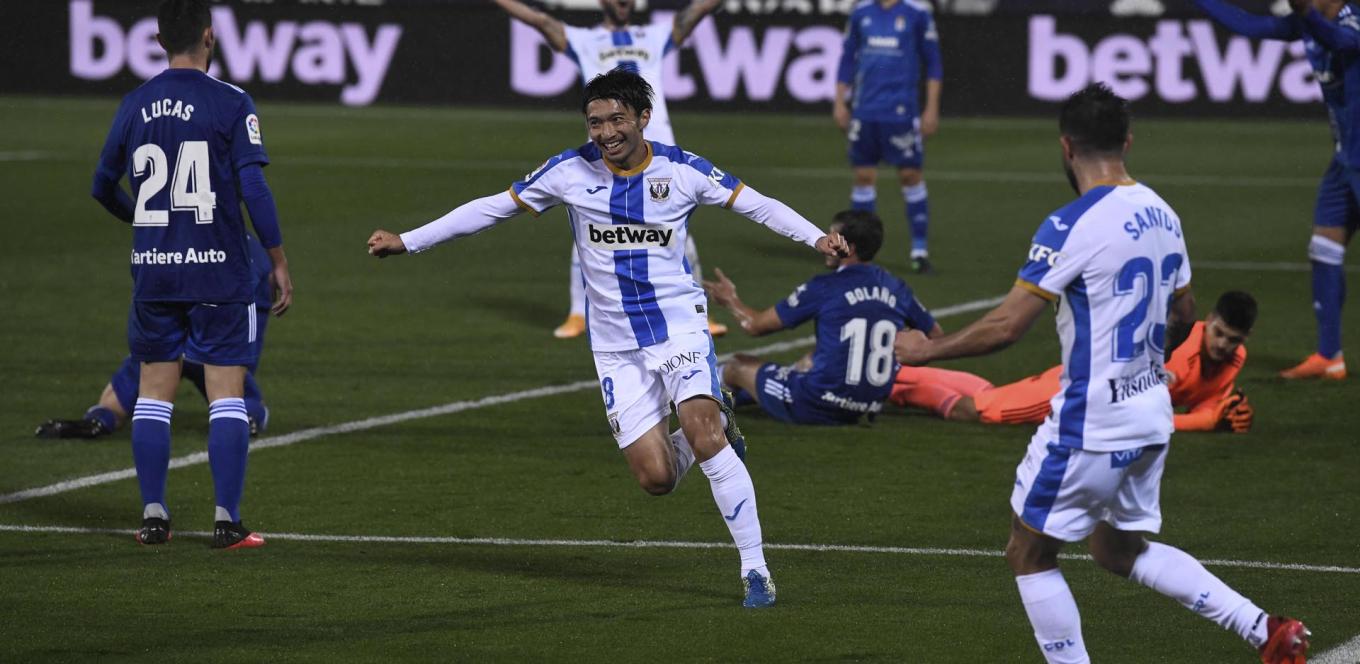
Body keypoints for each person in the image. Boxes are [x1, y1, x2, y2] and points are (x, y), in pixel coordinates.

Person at [366, 69, 848, 608]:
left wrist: (815, 237)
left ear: (643, 118)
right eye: (595, 122)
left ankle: (754, 570)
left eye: (617, 119)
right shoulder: (568, 171)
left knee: (703, 432)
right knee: (656, 479)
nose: (606, 132)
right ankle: (716, 423)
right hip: (615, 344)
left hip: (678, 325)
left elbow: (755, 203)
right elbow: (492, 208)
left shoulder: (682, 170)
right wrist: (410, 240)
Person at [894, 83, 1308, 663]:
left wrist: (925, 351)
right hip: (1151, 415)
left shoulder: (1070, 224)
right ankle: (1264, 628)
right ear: (1128, 142)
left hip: (1092, 421)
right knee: (1117, 550)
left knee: (1028, 552)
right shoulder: (1164, 213)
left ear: (1066, 147)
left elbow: (1007, 326)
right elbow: (1185, 313)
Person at [91, 0, 293, 549]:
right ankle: (227, 521)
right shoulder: (232, 102)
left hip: (155, 272)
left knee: (154, 394)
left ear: (159, 41)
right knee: (226, 393)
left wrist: (143, 218)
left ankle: (154, 518)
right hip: (219, 274)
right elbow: (254, 187)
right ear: (210, 36)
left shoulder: (135, 103)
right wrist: (276, 259)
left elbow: (101, 185)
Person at [492, 0, 727, 339]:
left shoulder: (654, 35)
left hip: (660, 154)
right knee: (591, 223)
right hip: (609, 152)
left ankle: (698, 312)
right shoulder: (584, 40)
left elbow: (697, 11)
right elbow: (540, 20)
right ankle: (578, 313)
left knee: (678, 231)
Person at [1195, 0, 1354, 380]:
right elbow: (1249, 25)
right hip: (1346, 158)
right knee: (1324, 248)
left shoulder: (1350, 21)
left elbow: (1342, 41)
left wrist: (1308, 15)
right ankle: (1329, 356)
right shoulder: (1306, 22)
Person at [891, 291, 1258, 434]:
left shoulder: (1234, 360)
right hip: (1078, 393)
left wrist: (1218, 415)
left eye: (1233, 340)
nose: (1223, 345)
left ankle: (895, 374)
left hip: (1092, 396)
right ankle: (889, 386)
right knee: (977, 411)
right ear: (1208, 320)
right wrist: (1209, 421)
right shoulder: (1177, 348)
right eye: (1219, 333)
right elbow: (1147, 419)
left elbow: (1206, 407)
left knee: (991, 395)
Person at [703, 209, 940, 425]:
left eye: (832, 237)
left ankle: (700, 402)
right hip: (867, 405)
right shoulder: (897, 288)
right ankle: (731, 400)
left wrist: (730, 300)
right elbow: (935, 336)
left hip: (817, 403)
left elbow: (754, 326)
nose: (825, 242)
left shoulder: (827, 286)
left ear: (849, 248)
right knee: (809, 361)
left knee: (738, 366)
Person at [35, 235, 276, 440]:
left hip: (169, 342)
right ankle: (247, 416)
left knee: (129, 395)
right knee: (235, 396)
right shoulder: (245, 248)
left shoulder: (170, 237)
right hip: (214, 346)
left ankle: (100, 419)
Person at [834, 0, 943, 274]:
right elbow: (847, 58)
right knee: (863, 177)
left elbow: (933, 62)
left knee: (910, 176)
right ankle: (858, 253)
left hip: (901, 112)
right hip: (865, 110)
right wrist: (839, 102)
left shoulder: (917, 12)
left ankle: (919, 252)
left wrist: (931, 108)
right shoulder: (861, 12)